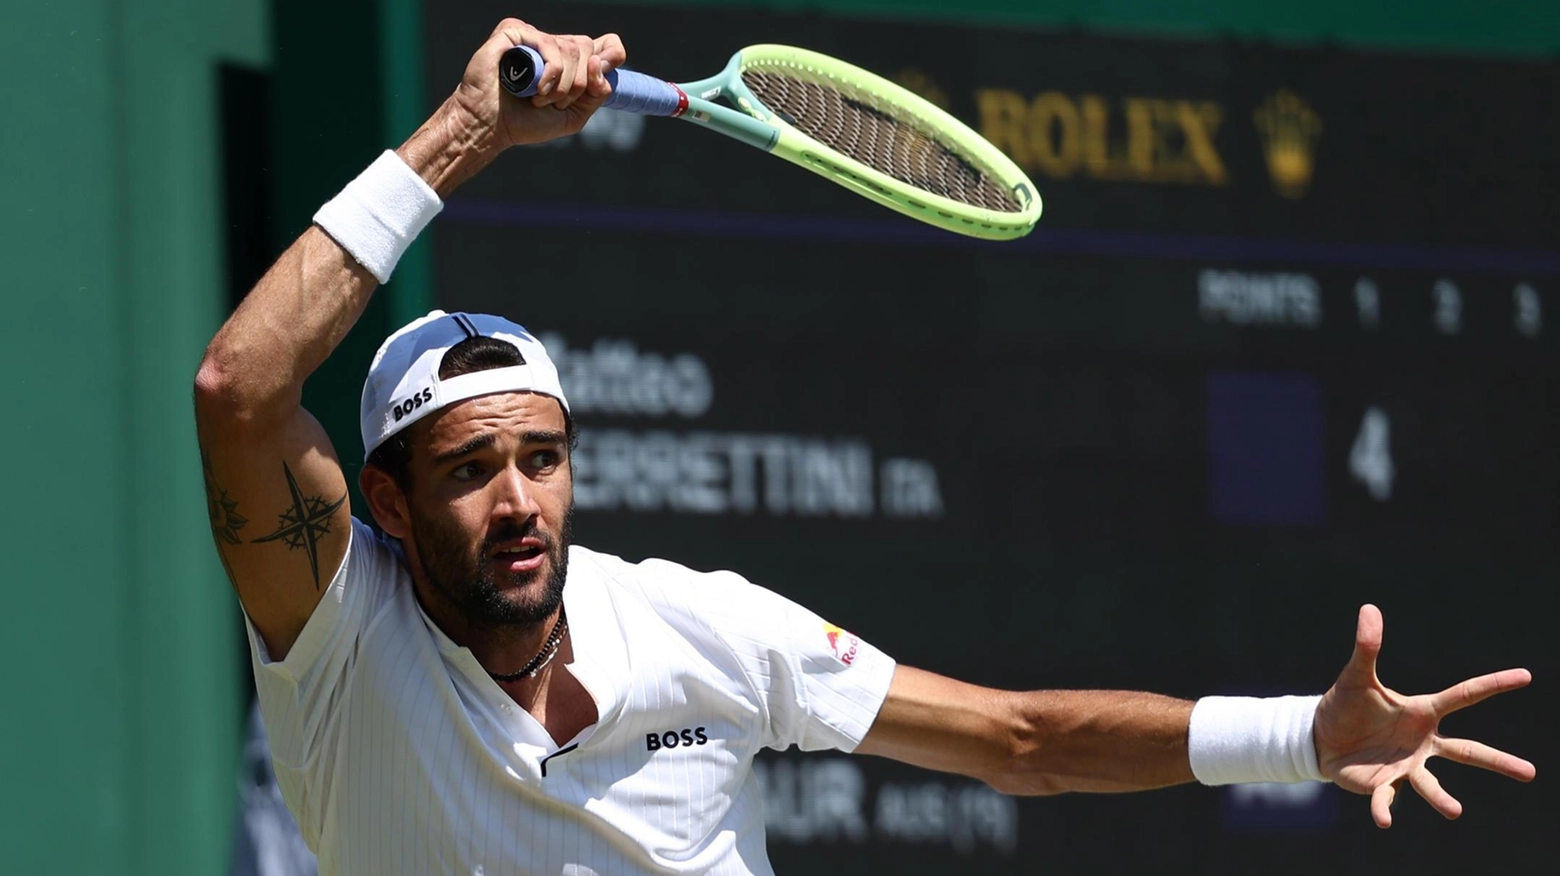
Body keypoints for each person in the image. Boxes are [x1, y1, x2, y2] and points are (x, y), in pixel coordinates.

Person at [194, 18, 1535, 876]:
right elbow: (240, 388)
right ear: (381, 502)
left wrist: (1304, 734)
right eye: (468, 469)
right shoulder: (340, 646)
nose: (518, 499)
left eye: (541, 458)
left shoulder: (695, 627)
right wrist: (469, 131)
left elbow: (1019, 741)